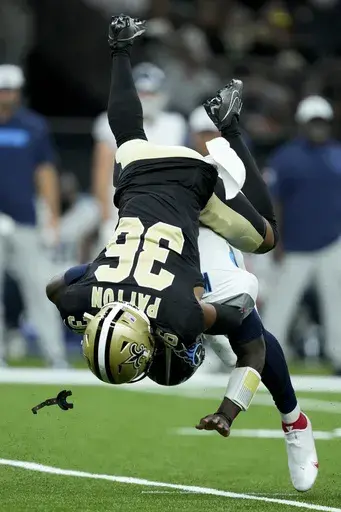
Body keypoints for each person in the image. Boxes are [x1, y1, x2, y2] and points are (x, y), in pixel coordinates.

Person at [46, 15, 278, 438]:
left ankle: (231, 129)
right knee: (128, 134)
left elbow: (252, 342)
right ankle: (120, 48)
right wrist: (94, 307)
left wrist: (228, 411)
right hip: (138, 173)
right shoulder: (76, 300)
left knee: (266, 238)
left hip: (194, 185)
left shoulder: (180, 315)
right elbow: (56, 289)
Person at [188, 105, 318, 492]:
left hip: (220, 279)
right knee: (228, 351)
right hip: (181, 268)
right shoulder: (178, 177)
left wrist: (232, 133)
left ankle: (294, 420)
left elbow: (267, 231)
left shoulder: (229, 199)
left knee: (248, 342)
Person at [262, 95, 341, 372]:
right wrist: (276, 238)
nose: (318, 127)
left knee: (337, 303)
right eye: (313, 122)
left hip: (332, 242)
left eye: (322, 122)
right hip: (294, 246)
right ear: (302, 124)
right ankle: (268, 355)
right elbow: (274, 202)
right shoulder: (286, 158)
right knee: (281, 304)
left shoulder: (337, 154)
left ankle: (338, 356)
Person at [0, 64, 68, 367]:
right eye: (3, 89)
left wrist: (51, 217)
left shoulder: (33, 125)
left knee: (39, 290)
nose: (7, 94)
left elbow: (46, 172)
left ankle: (55, 355)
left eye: (11, 89)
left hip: (26, 220)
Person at [92, 62, 187, 247]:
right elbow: (101, 173)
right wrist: (105, 218)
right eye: (142, 92)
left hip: (165, 213)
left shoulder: (175, 124)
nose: (146, 98)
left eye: (151, 92)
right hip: (121, 212)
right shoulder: (109, 121)